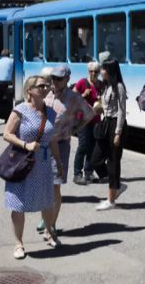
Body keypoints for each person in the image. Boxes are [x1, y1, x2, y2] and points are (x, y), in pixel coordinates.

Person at [3, 75, 63, 258]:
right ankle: (18, 244)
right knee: (18, 203)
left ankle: (49, 232)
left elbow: (52, 140)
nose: (45, 88)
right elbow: (7, 134)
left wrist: (59, 163)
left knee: (47, 200)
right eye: (41, 86)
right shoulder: (20, 110)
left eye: (47, 86)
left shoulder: (51, 112)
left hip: (43, 164)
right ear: (29, 90)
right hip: (23, 162)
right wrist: (25, 145)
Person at [42, 63, 94, 233]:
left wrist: (75, 129)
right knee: (44, 184)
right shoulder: (45, 92)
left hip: (61, 145)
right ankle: (45, 217)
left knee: (55, 185)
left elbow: (89, 114)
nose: (54, 81)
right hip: (42, 145)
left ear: (67, 79)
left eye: (58, 78)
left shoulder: (74, 98)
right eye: (53, 78)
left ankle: (52, 223)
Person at [91, 58, 127, 211]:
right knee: (95, 160)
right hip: (105, 123)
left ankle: (111, 199)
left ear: (110, 71)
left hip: (115, 125)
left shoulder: (119, 87)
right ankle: (116, 184)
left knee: (113, 162)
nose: (101, 72)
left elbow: (121, 111)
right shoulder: (106, 86)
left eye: (104, 69)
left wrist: (118, 132)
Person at [72, 61, 103, 184]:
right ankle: (77, 173)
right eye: (91, 71)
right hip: (82, 119)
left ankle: (88, 172)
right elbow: (72, 98)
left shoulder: (100, 85)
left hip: (95, 119)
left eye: (96, 71)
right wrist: (83, 95)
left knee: (93, 147)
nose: (93, 74)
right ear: (88, 72)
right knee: (83, 146)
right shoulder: (82, 82)